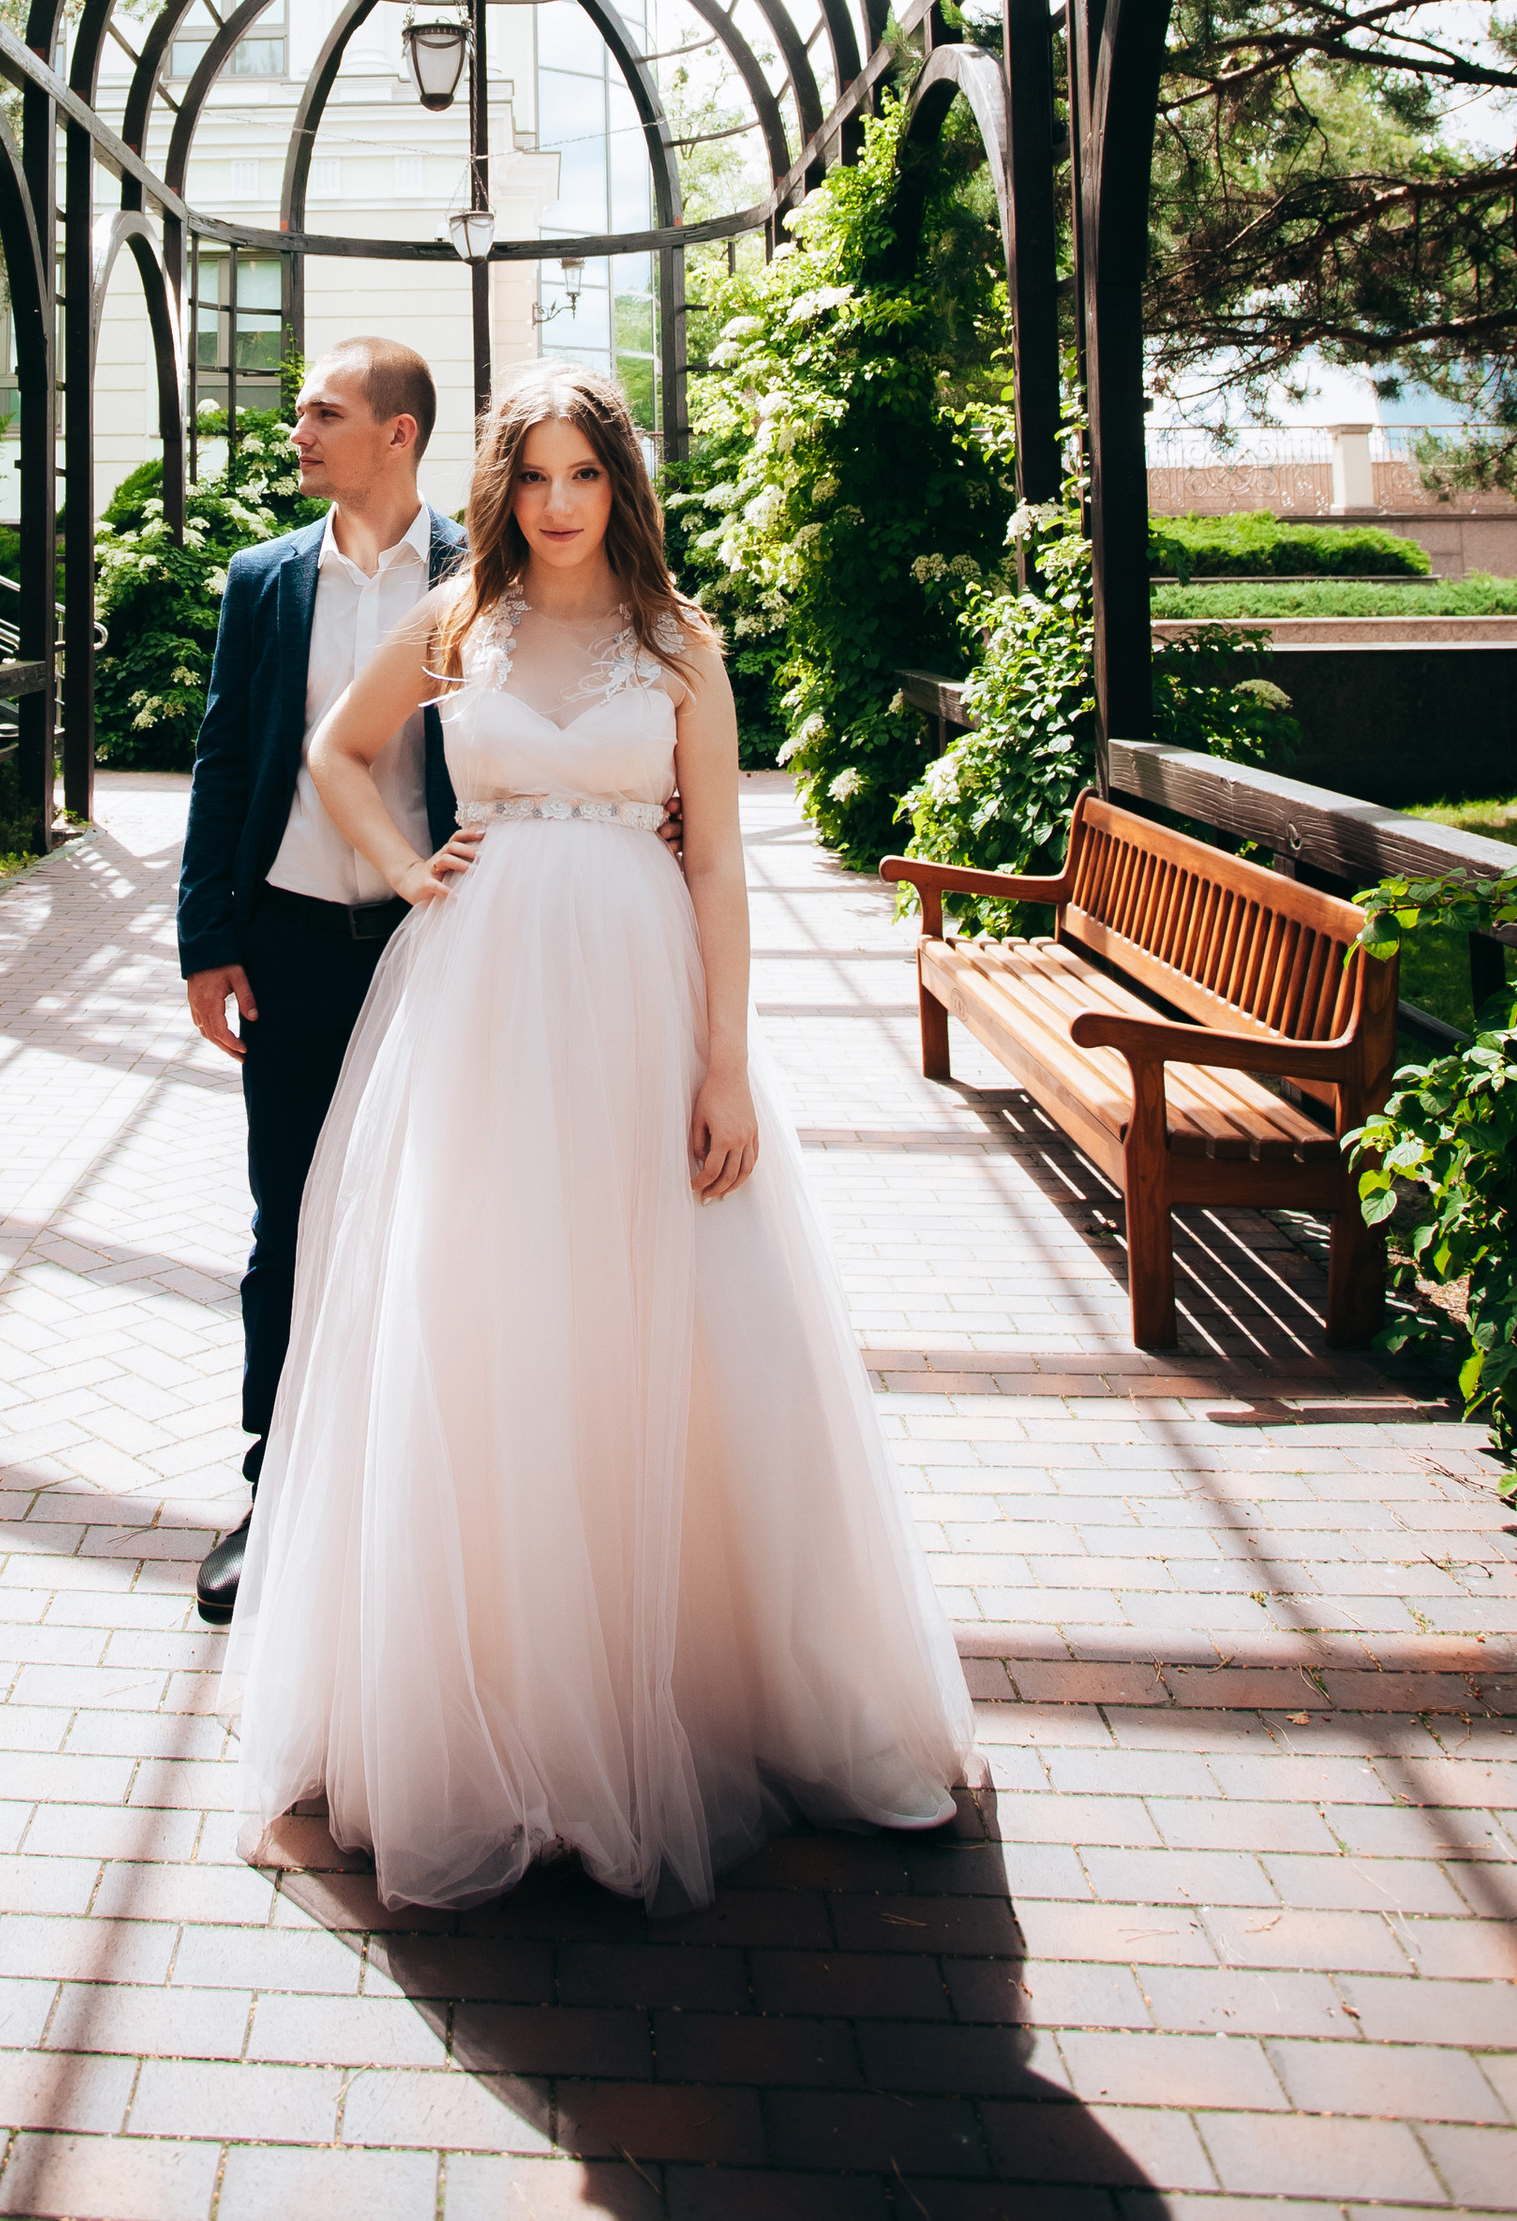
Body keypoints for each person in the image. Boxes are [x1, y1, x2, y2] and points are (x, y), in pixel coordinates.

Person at [227, 359, 979, 1915]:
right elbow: (331, 750)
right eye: (535, 480)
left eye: (584, 478)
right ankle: (497, 1720)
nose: (559, 508)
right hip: (484, 998)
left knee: (674, 1318)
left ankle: (698, 1700)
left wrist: (726, 1067)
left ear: (620, 488)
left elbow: (718, 872)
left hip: (639, 996)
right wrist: (406, 863)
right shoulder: (463, 624)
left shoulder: (681, 647)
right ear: (499, 489)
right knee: (483, 1311)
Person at [176, 337, 466, 1626]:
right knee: (285, 1220)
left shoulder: (483, 574)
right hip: (291, 939)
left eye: (323, 412)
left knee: (440, 1220)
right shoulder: (263, 580)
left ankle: (426, 1496)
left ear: (396, 435)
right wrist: (206, 937)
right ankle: (273, 1488)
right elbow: (226, 760)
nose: (297, 430)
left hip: (436, 949)